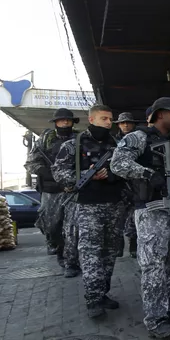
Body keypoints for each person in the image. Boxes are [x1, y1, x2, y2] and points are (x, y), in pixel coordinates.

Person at [111, 97, 170, 339]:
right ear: (160, 114)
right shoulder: (139, 138)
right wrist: (148, 174)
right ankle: (156, 319)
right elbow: (118, 163)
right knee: (153, 266)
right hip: (152, 210)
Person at [52, 105, 123, 318]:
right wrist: (86, 174)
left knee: (110, 252)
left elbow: (127, 169)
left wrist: (112, 175)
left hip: (114, 204)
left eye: (110, 119)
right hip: (88, 206)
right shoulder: (73, 144)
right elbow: (59, 172)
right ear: (91, 119)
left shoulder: (118, 144)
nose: (108, 123)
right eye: (104, 119)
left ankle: (102, 293)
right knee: (91, 252)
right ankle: (93, 300)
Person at [24, 108, 81, 274]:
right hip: (52, 191)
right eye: (61, 120)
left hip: (73, 190)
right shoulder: (45, 140)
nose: (65, 122)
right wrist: (49, 174)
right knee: (52, 225)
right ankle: (56, 246)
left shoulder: (79, 139)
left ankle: (70, 261)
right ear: (55, 122)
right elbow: (31, 164)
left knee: (72, 228)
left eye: (68, 120)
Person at [113, 112, 139, 258]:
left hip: (135, 184)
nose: (126, 125)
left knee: (134, 218)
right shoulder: (113, 141)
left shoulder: (139, 139)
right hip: (118, 185)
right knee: (118, 218)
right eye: (123, 123)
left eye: (128, 122)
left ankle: (133, 245)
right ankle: (118, 246)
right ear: (118, 125)